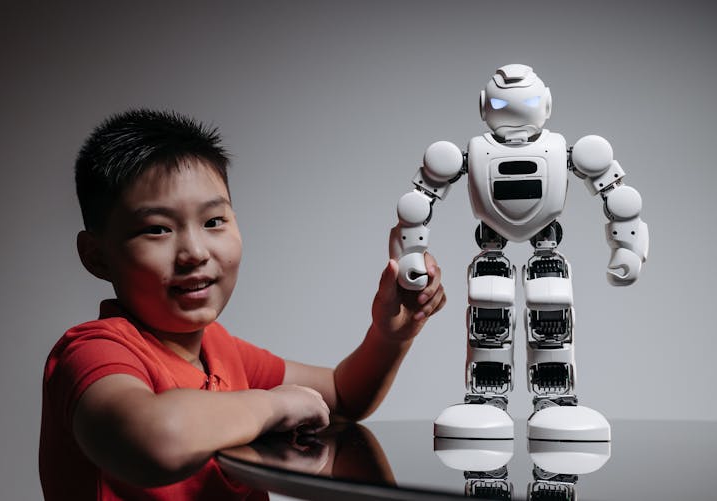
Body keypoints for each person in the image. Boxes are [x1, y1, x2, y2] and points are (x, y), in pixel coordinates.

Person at [39, 109, 446, 500]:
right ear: (96, 256)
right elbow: (157, 439)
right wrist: (273, 404)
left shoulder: (220, 349)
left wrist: (390, 336)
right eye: (157, 229)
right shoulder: (93, 352)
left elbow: (341, 394)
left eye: (213, 221)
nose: (194, 252)